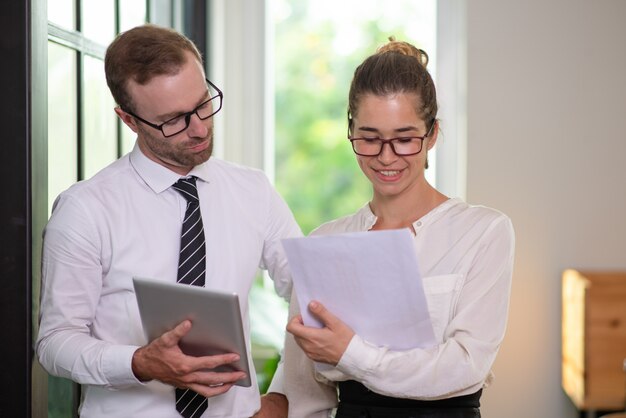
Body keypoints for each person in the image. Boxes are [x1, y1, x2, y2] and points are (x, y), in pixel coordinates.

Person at [36, 24, 295, 418]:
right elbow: (55, 343)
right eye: (174, 120)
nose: (200, 128)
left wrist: (282, 395)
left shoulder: (254, 191)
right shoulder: (85, 210)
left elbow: (310, 295)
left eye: (204, 103)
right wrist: (139, 363)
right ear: (129, 119)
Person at [267, 38, 515, 417]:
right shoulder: (325, 242)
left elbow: (465, 366)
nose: (386, 157)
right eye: (369, 138)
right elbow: (304, 390)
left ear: (432, 134)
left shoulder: (483, 232)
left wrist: (352, 354)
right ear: (350, 130)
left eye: (404, 139)